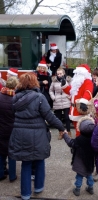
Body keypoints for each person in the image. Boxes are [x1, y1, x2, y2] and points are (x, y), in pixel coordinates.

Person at [8, 72, 66, 200]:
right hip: (38, 134)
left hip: (20, 133)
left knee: (26, 163)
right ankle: (38, 187)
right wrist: (61, 127)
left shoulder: (15, 98)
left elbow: (13, 113)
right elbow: (49, 116)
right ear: (35, 83)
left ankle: (25, 194)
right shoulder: (39, 97)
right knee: (39, 160)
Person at [61, 116, 95, 197]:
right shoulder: (94, 139)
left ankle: (77, 189)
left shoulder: (79, 139)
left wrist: (65, 135)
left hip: (79, 162)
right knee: (89, 175)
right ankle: (90, 188)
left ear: (80, 128)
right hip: (89, 162)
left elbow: (70, 143)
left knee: (79, 176)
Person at [61, 64, 93, 137]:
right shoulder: (76, 82)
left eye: (78, 73)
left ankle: (79, 145)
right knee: (77, 129)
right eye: (76, 73)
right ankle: (79, 144)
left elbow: (88, 92)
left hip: (81, 108)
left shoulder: (87, 81)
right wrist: (64, 85)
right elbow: (70, 91)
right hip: (74, 110)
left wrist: (83, 101)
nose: (76, 75)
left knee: (80, 130)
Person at [0, 76, 18, 182]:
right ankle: (12, 176)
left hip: (1, 129)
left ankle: (1, 174)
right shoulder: (16, 99)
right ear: (15, 86)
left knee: (1, 152)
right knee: (12, 153)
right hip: (12, 129)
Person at [49, 67, 71, 139]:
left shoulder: (68, 80)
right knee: (58, 118)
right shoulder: (54, 81)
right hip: (57, 100)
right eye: (58, 74)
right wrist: (53, 97)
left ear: (63, 73)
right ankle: (61, 132)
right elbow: (51, 90)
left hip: (66, 100)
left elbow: (72, 89)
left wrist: (69, 96)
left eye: (60, 73)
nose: (59, 75)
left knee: (67, 117)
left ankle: (68, 131)